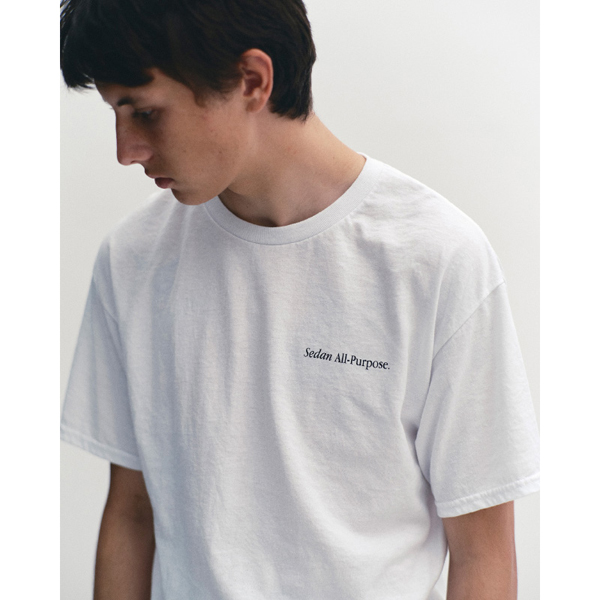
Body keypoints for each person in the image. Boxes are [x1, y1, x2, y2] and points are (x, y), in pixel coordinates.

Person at [60, 1, 540, 598]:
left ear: (252, 80)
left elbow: (482, 550)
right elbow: (133, 513)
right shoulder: (133, 259)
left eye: (146, 113)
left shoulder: (436, 259)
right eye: (116, 113)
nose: (126, 149)